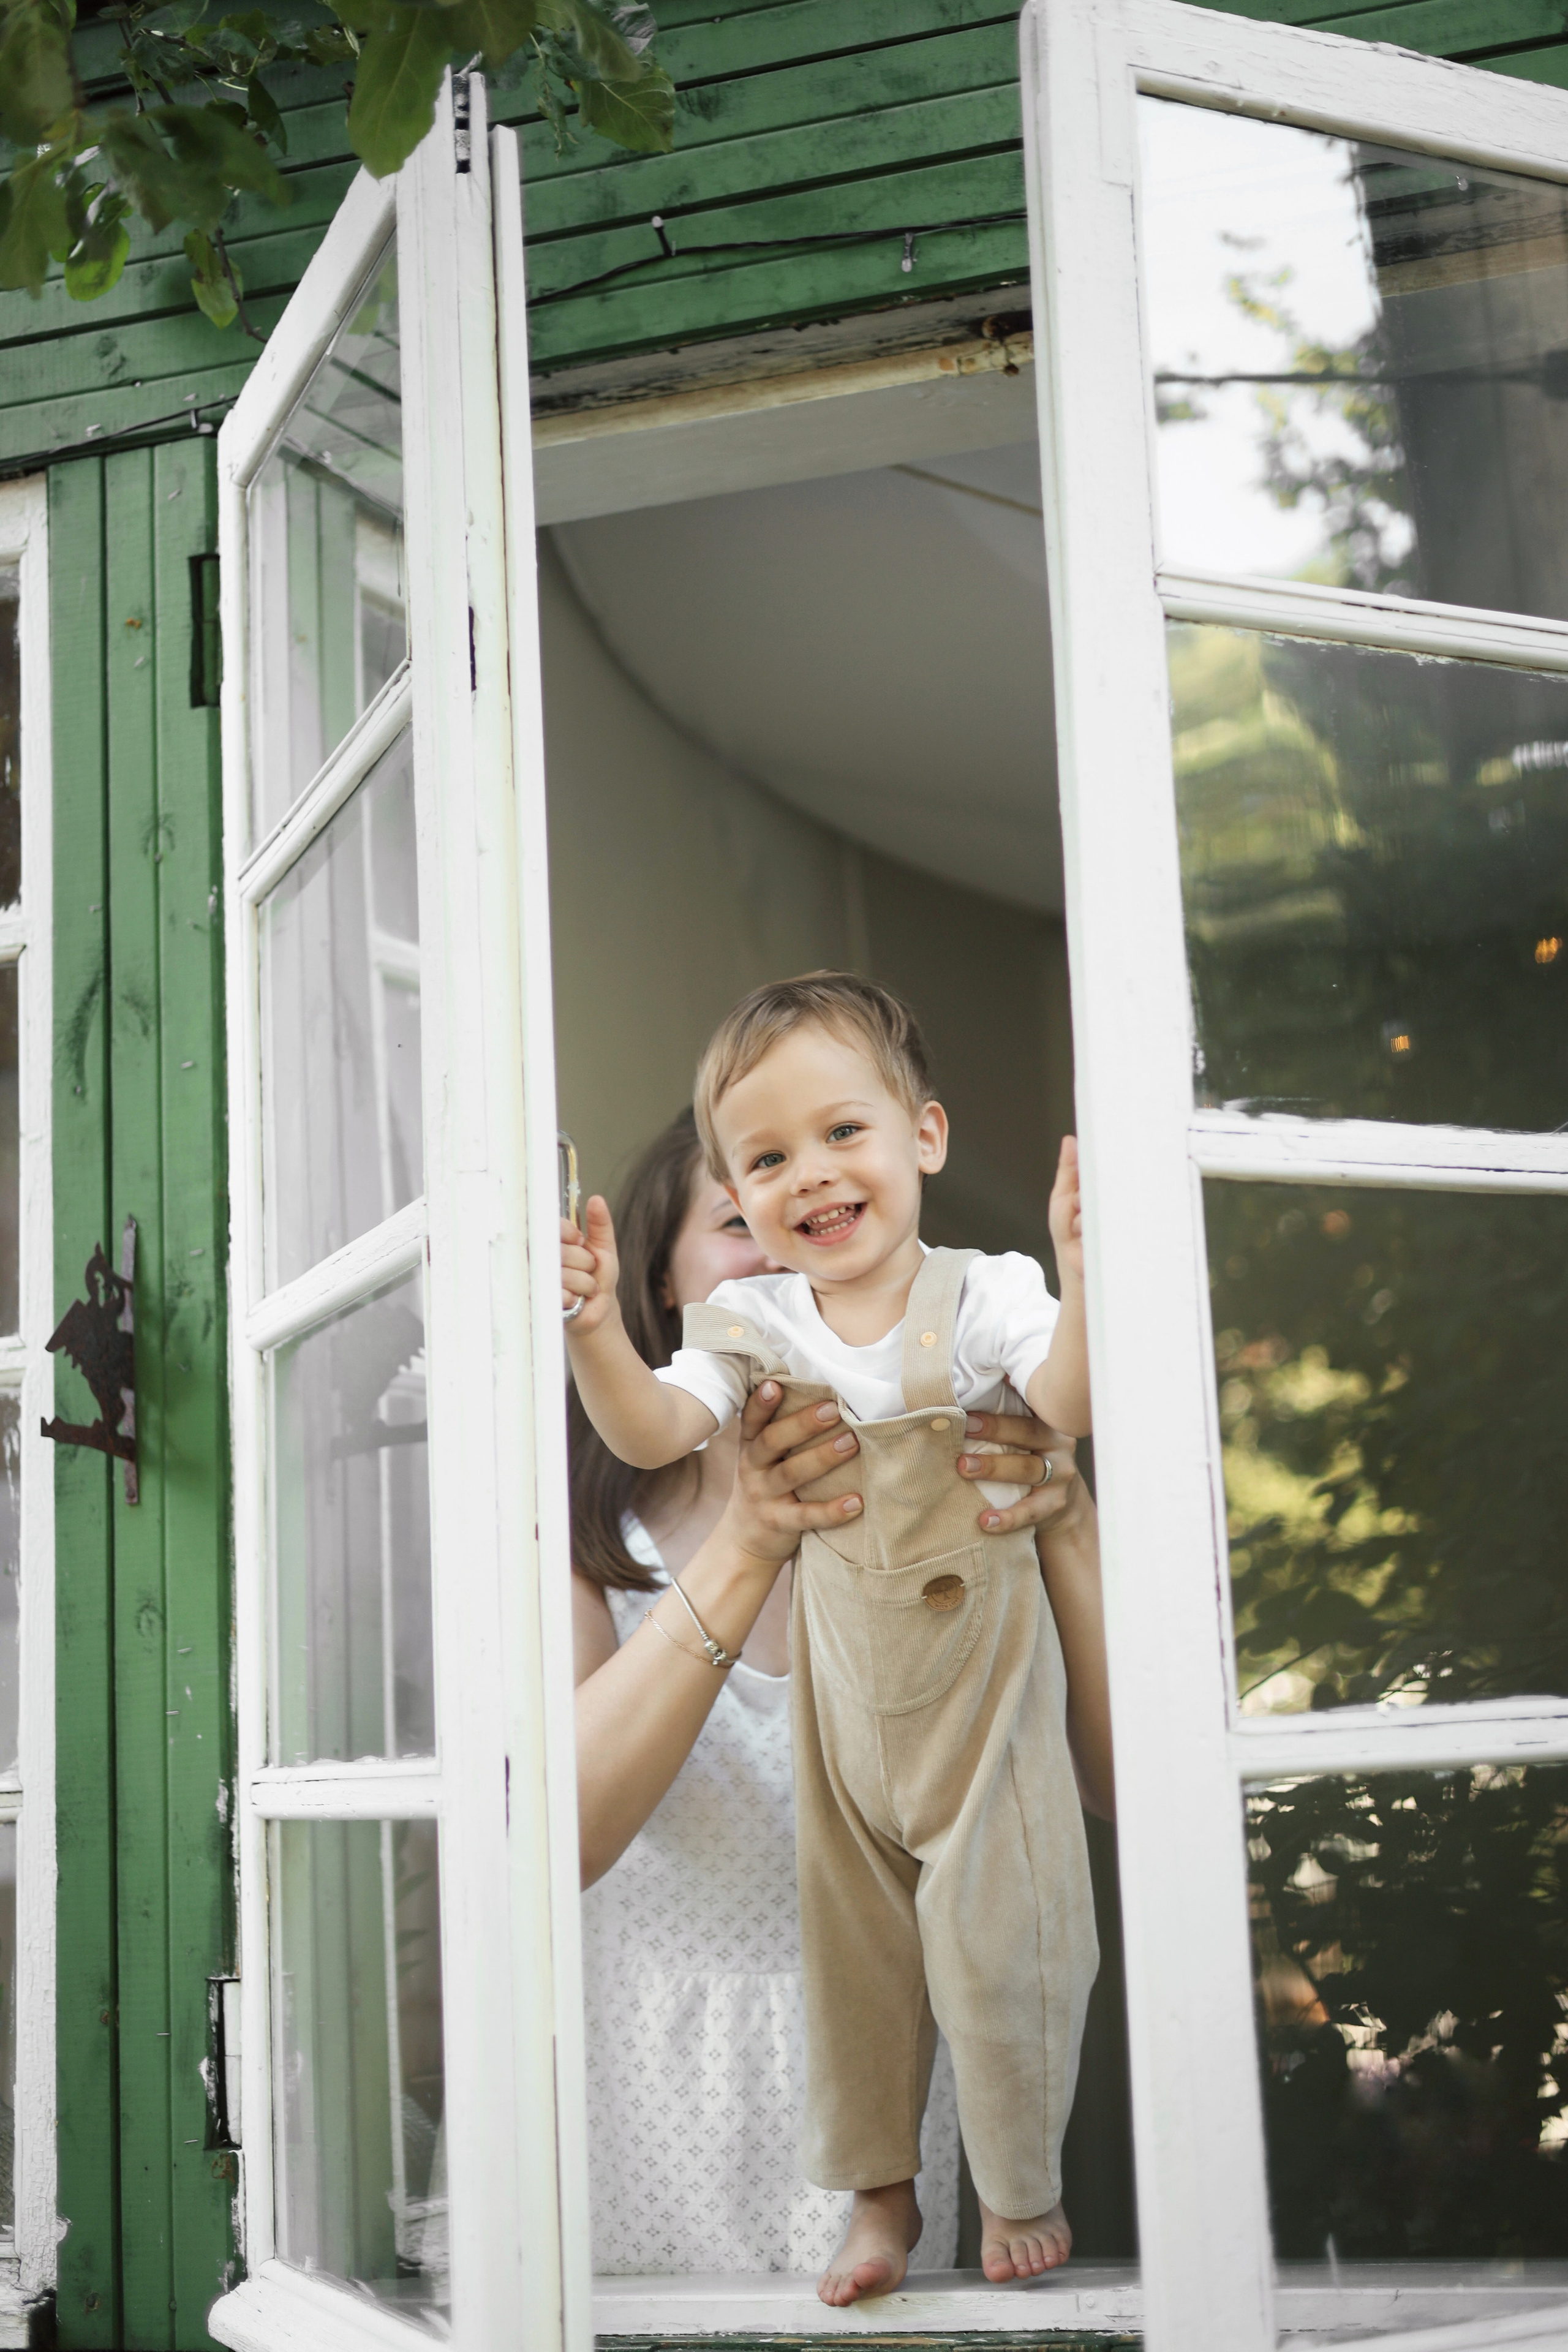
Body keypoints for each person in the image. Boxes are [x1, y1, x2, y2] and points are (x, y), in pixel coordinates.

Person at [564, 977, 1104, 2304]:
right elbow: (646, 1430)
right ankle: (880, 2198)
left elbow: (1061, 1396)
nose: (799, 1196)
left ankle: (994, 2185)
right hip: (651, 2107)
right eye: (751, 1184)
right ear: (678, 1270)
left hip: (950, 1778)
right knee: (861, 1934)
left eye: (838, 1140)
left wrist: (1091, 1312)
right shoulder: (612, 1523)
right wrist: (587, 1337)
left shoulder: (977, 1337)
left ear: (919, 1140)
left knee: (1001, 1927)